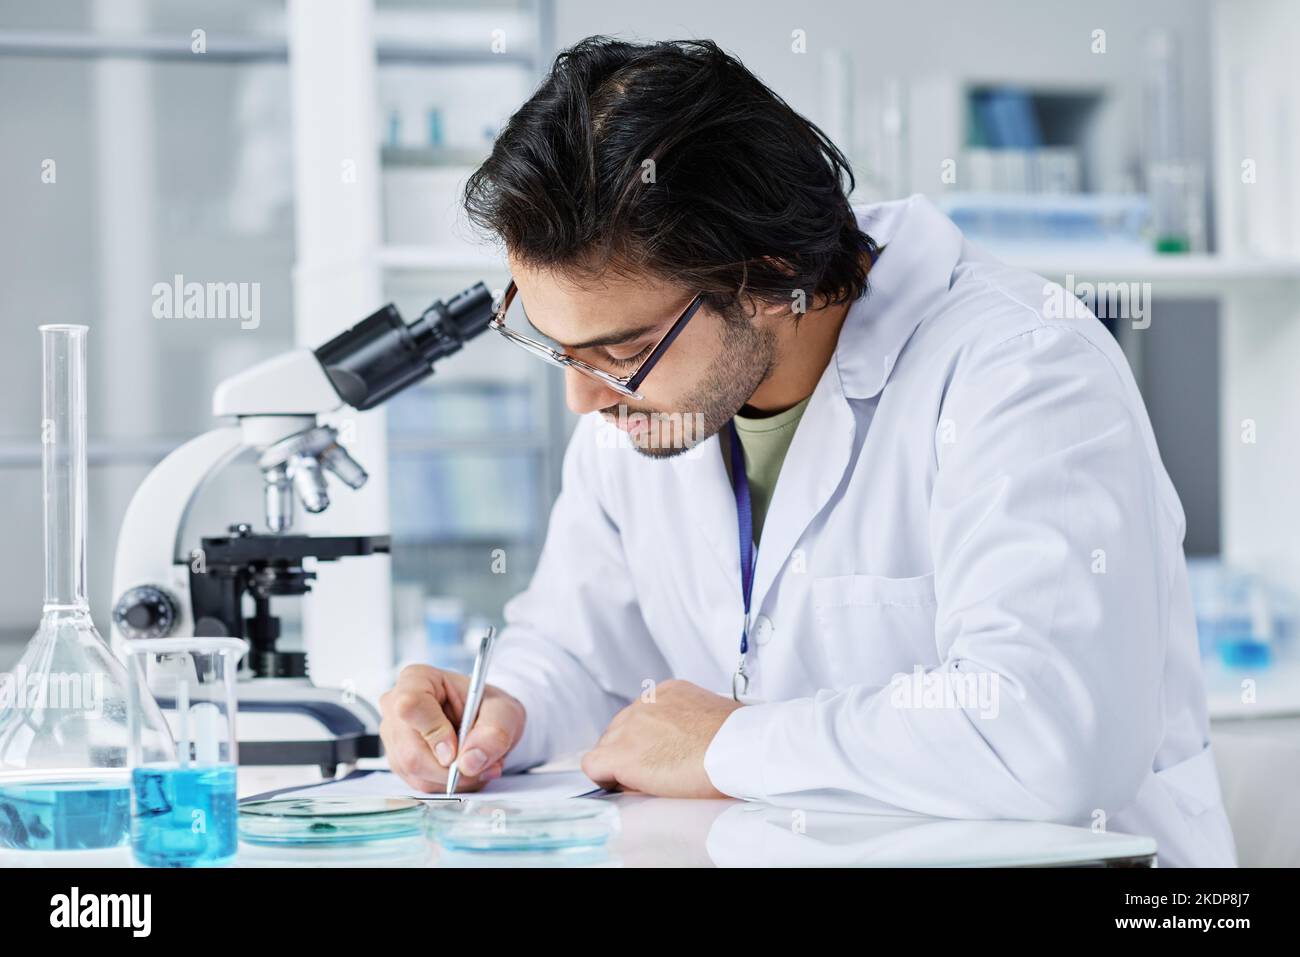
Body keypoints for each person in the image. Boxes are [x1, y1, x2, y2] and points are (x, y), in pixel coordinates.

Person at [378, 37, 1235, 867]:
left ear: (769, 277)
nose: (583, 396)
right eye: (557, 346)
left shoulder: (1020, 368)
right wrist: (503, 711)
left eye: (619, 351)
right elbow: (581, 649)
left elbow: (1048, 733)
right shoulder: (640, 405)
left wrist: (729, 741)